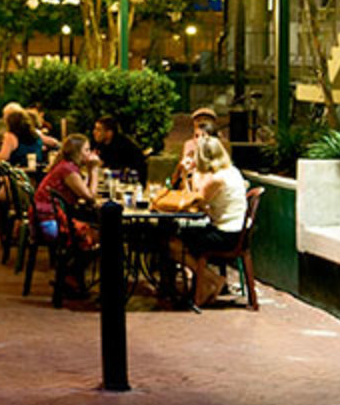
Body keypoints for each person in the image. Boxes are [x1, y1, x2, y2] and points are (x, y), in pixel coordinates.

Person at [167, 135, 248, 307]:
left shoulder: (216, 179)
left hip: (227, 235)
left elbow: (195, 203)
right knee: (181, 234)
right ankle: (205, 284)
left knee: (173, 244)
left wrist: (188, 174)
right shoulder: (232, 171)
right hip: (236, 231)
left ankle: (212, 279)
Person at [33, 134, 101, 242]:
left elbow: (82, 190)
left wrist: (89, 170)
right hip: (50, 222)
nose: (89, 153)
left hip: (46, 217)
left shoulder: (65, 165)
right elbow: (90, 197)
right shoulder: (68, 170)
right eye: (86, 150)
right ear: (77, 152)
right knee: (101, 229)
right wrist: (94, 170)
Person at [92, 115, 148, 186]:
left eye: (98, 130)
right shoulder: (101, 144)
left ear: (109, 133)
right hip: (114, 181)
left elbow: (117, 169)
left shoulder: (123, 146)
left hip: (131, 182)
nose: (94, 132)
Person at [171, 111, 218, 190]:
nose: (202, 122)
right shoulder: (189, 144)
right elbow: (183, 169)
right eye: (198, 120)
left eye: (206, 119)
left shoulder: (216, 144)